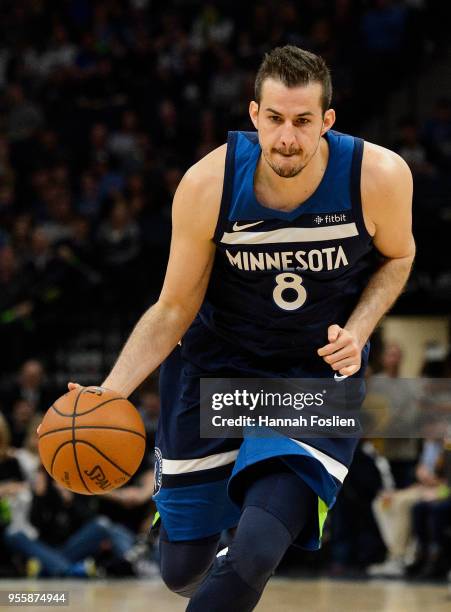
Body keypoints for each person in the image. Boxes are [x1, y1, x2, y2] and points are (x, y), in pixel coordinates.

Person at [39, 45, 415, 610]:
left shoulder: (378, 176)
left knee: (255, 552)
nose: (287, 137)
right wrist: (111, 390)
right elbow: (172, 308)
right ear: (254, 114)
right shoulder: (208, 184)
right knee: (181, 572)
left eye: (303, 121)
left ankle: (261, 514)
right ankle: (233, 505)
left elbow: (399, 257)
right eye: (275, 119)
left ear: (327, 122)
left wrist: (359, 330)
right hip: (214, 373)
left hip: (311, 380)